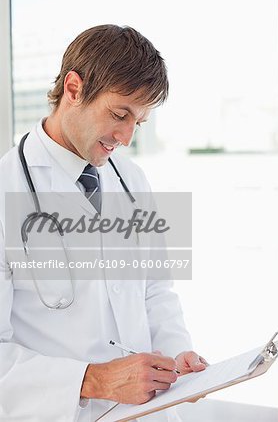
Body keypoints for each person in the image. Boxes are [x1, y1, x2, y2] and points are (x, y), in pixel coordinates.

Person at [0, 25, 207, 422]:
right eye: (119, 114)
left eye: (139, 122)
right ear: (74, 89)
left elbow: (156, 291)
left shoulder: (132, 180)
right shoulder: (7, 188)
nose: (126, 136)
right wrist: (94, 380)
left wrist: (176, 353)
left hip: (149, 412)